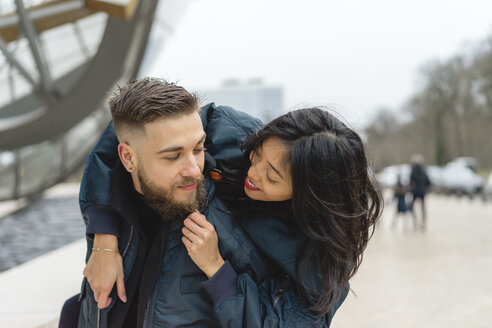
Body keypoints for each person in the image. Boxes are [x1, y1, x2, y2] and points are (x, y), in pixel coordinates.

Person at [63, 78, 382, 327]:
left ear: (309, 196)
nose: (252, 173)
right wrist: (104, 239)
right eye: (257, 156)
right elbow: (132, 124)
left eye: (272, 177)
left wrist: (216, 268)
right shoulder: (234, 134)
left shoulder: (319, 261)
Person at [409, 154, 431, 231]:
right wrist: (425, 189)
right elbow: (428, 182)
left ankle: (415, 222)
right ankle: (423, 223)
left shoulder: (413, 170)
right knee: (423, 208)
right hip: (422, 191)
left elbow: (410, 182)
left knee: (411, 207)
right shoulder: (424, 170)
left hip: (415, 192)